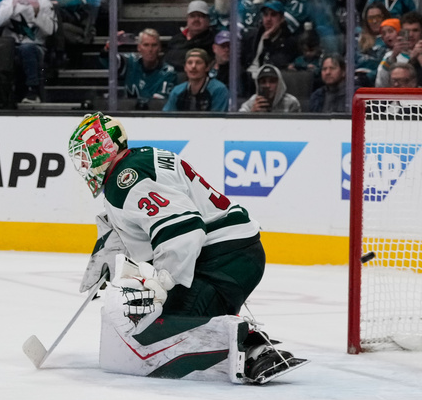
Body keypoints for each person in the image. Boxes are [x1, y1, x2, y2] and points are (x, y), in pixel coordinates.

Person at [69, 112, 306, 384]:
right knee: (157, 319)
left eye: (84, 154)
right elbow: (143, 222)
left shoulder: (125, 178)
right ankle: (240, 336)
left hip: (220, 259)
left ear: (104, 148)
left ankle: (250, 347)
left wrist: (163, 280)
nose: (83, 164)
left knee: (158, 330)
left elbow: (184, 229)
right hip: (233, 253)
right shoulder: (141, 158)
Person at [0, 0, 56, 104]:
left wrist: (36, 11)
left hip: (36, 46)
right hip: (11, 46)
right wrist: (13, 6)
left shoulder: (44, 3)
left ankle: (32, 91)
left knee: (27, 48)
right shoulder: (7, 2)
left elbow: (51, 30)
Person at [102, 29, 176, 107]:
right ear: (139, 47)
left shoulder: (168, 72)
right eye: (146, 45)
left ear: (159, 48)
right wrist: (108, 46)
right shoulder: (130, 62)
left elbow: (157, 104)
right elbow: (106, 61)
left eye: (154, 45)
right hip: (128, 112)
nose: (150, 49)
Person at [163, 48, 228, 112]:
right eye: (190, 62)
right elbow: (167, 117)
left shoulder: (219, 90)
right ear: (185, 68)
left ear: (207, 67)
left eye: (198, 62)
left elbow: (218, 119)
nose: (193, 66)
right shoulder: (177, 91)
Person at [163, 0, 215, 72]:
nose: (196, 19)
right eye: (192, 16)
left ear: (208, 20)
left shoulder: (213, 41)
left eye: (200, 16)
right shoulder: (176, 39)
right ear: (187, 19)